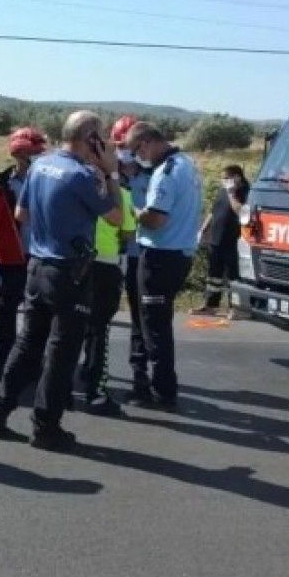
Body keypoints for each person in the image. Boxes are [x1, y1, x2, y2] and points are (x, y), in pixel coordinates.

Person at [0, 111, 124, 451]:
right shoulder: (81, 176)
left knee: (28, 341)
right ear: (90, 138)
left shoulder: (39, 166)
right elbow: (117, 217)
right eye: (101, 138)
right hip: (69, 272)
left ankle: (0, 408)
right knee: (61, 352)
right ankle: (46, 426)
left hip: (37, 265)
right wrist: (112, 173)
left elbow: (22, 214)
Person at [125, 122, 203, 409]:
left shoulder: (166, 172)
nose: (137, 157)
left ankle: (161, 391)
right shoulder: (186, 164)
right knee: (158, 323)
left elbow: (156, 218)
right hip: (179, 253)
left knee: (154, 327)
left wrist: (134, 212)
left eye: (136, 150)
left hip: (160, 255)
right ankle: (161, 386)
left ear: (147, 143)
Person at [0, 127, 47, 379]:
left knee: (39, 316)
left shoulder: (49, 181)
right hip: (11, 260)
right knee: (6, 315)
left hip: (41, 258)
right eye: (33, 153)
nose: (39, 157)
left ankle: (33, 364)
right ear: (20, 155)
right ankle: (5, 363)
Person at [73, 162, 136, 417]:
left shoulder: (75, 193)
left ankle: (69, 384)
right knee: (100, 331)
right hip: (106, 266)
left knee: (71, 328)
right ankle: (95, 392)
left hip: (77, 265)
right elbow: (129, 233)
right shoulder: (121, 195)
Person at [111, 115, 153, 394]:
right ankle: (92, 375)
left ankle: (139, 372)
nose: (125, 153)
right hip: (105, 255)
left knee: (140, 316)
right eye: (120, 146)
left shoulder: (154, 175)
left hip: (139, 254)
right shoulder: (104, 172)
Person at [193, 164, 249, 315]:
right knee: (213, 277)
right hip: (216, 238)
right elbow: (214, 211)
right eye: (223, 178)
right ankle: (211, 305)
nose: (224, 181)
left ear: (237, 177)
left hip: (233, 240)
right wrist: (203, 229)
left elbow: (240, 212)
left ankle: (237, 308)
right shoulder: (223, 190)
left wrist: (232, 194)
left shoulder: (245, 191)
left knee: (233, 276)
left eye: (227, 178)